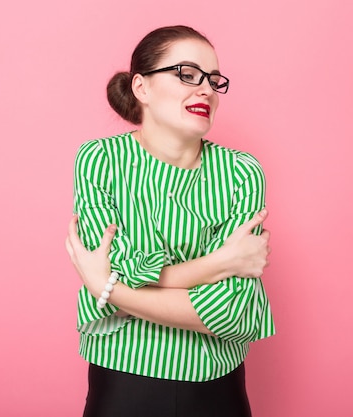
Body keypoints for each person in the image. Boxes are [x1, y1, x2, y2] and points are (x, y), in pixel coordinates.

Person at [65, 25, 275, 417]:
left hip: (218, 390)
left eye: (213, 80)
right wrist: (219, 264)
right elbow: (118, 271)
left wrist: (107, 290)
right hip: (122, 386)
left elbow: (228, 310)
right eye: (187, 74)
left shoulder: (242, 172)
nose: (207, 90)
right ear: (141, 88)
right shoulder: (100, 160)